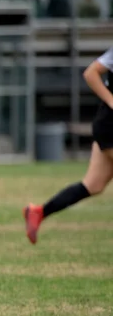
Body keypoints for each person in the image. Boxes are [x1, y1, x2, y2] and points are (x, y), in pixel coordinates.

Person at [24, 48, 113, 243]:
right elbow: (90, 73)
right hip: (110, 124)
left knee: (93, 185)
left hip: (105, 123)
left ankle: (39, 212)